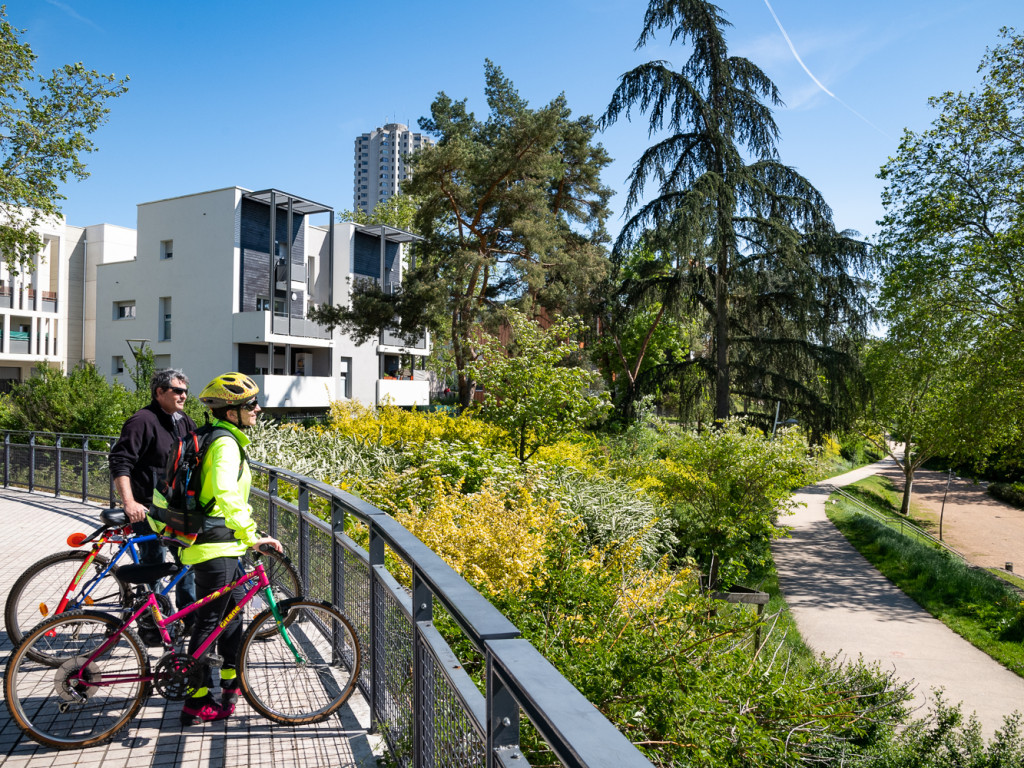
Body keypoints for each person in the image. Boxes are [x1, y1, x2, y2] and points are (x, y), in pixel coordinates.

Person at [157, 372, 282, 725]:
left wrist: (244, 537)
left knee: (230, 618)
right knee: (210, 623)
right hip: (216, 547)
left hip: (220, 545)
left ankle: (230, 684)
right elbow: (226, 493)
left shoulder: (215, 437)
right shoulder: (225, 444)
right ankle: (196, 701)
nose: (257, 409)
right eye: (250, 404)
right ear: (231, 412)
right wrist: (252, 534)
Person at [109, 369, 197, 610]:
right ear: (160, 392)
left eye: (186, 392)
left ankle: (186, 619)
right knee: (152, 567)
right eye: (177, 391)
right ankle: (152, 622)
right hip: (147, 510)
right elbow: (120, 461)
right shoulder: (142, 421)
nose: (184, 396)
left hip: (177, 509)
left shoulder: (184, 421)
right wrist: (129, 503)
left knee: (186, 565)